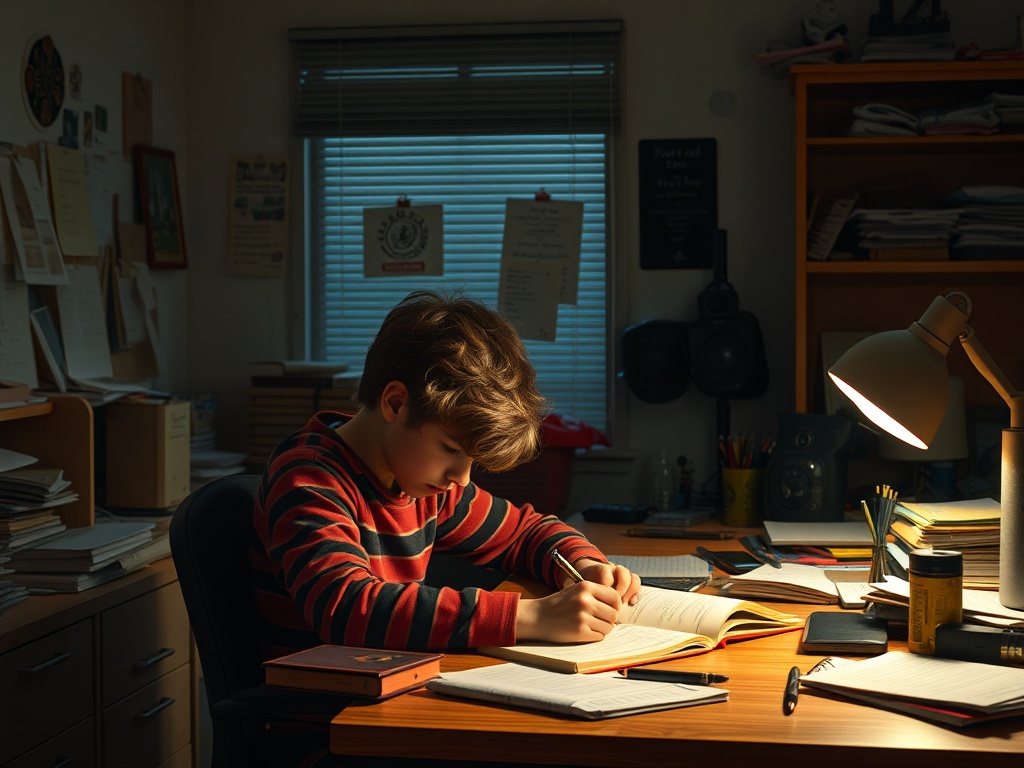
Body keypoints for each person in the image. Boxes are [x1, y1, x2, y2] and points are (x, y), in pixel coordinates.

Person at [250, 290, 640, 766]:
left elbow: (523, 531)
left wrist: (581, 563)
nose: (462, 476)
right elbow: (348, 609)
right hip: (334, 733)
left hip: (400, 706)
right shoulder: (310, 478)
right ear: (395, 403)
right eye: (452, 447)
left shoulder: (417, 481)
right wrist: (531, 617)